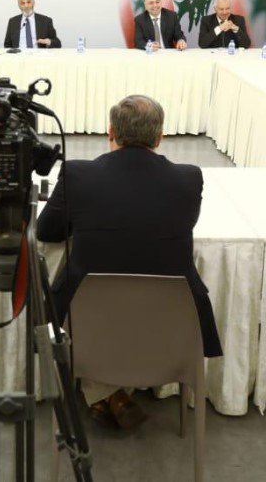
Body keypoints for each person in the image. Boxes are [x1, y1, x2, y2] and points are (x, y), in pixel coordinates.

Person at [37, 95, 221, 430]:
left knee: (92, 307)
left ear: (110, 132)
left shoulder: (78, 174)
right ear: (160, 137)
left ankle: (106, 393)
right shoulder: (188, 178)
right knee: (118, 308)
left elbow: (47, 231)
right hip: (169, 323)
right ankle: (115, 396)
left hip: (88, 320)